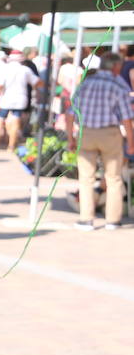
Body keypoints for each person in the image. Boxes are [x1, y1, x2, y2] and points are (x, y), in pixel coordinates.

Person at [66, 50, 134, 231]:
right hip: (110, 133)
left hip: (86, 132)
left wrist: (70, 138)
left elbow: (70, 113)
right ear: (116, 67)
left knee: (86, 178)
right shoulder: (118, 84)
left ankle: (86, 219)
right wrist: (131, 143)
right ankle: (113, 220)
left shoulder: (86, 83)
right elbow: (127, 118)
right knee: (114, 178)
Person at [0, 50, 37, 152]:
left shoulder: (5, 69)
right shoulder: (25, 70)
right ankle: (11, 147)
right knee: (16, 121)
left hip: (6, 99)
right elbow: (37, 82)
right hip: (20, 100)